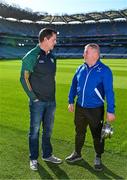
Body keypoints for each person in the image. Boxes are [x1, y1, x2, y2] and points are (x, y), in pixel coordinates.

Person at [65, 43, 115, 171]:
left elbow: (109, 91)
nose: (84, 54)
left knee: (97, 135)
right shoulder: (80, 68)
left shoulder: (105, 70)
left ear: (95, 54)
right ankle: (77, 153)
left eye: (86, 52)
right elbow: (73, 84)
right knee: (79, 132)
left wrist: (110, 110)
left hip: (95, 109)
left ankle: (98, 156)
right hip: (80, 108)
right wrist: (71, 100)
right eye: (84, 52)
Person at [20, 28, 62, 171]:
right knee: (35, 131)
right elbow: (24, 78)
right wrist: (34, 98)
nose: (55, 42)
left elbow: (51, 78)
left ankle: (47, 154)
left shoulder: (52, 56)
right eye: (53, 39)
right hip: (38, 102)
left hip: (51, 101)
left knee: (48, 130)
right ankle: (33, 158)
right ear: (45, 39)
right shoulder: (32, 56)